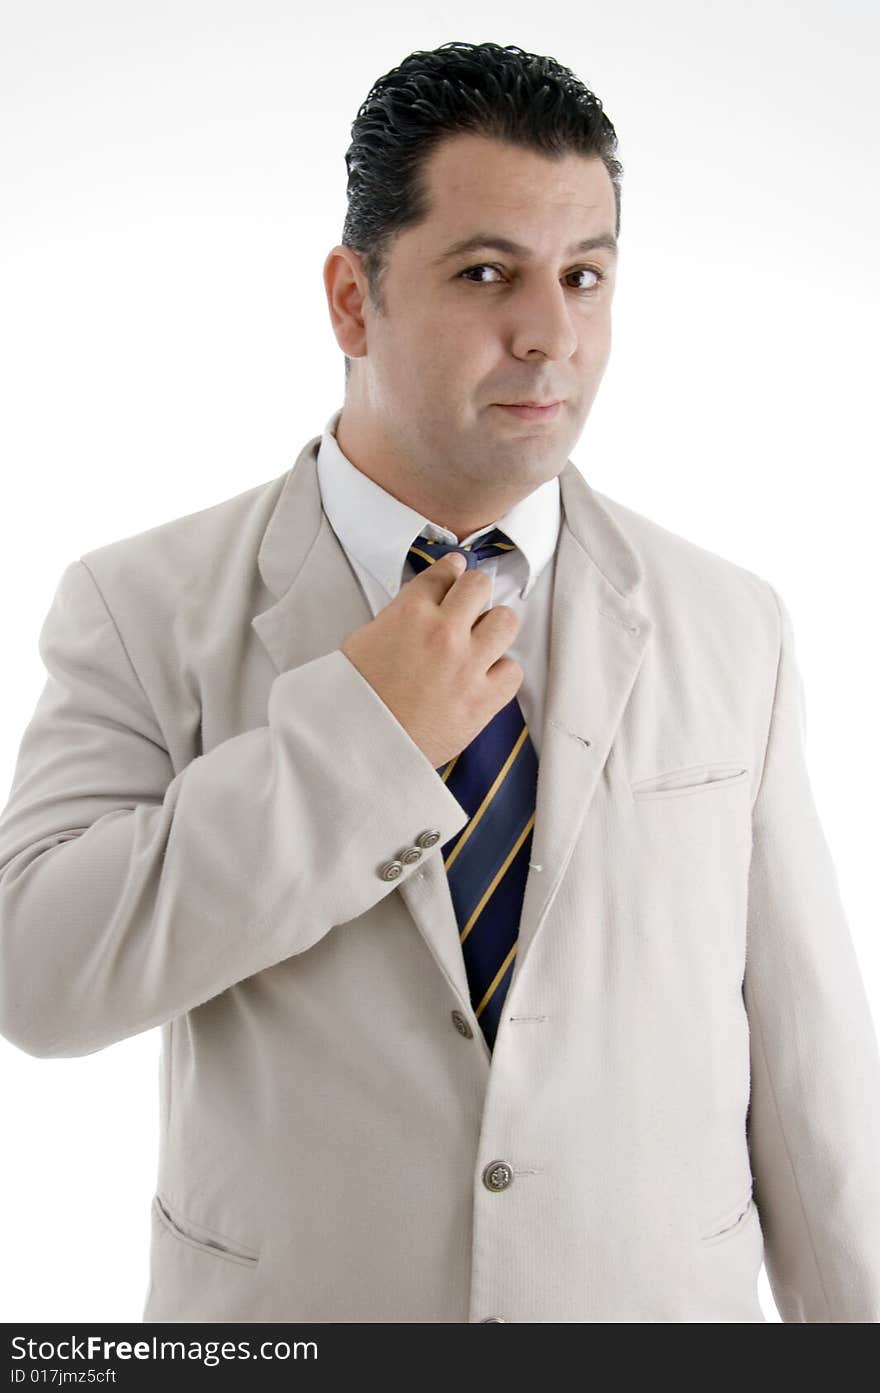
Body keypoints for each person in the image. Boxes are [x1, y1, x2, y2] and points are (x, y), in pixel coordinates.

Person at [0, 38, 878, 1325]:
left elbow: (810, 1078)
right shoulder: (140, 605)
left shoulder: (731, 625)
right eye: (486, 274)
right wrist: (361, 740)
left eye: (585, 276)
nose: (551, 333)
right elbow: (40, 971)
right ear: (353, 300)